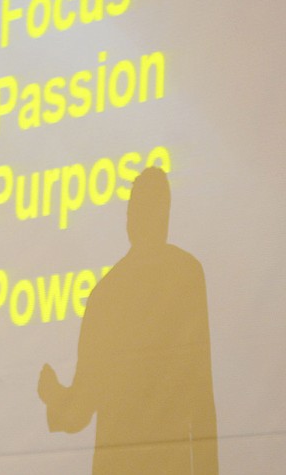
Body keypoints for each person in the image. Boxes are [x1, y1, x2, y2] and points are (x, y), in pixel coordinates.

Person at [37, 167, 217, 474]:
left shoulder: (105, 294)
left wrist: (51, 393)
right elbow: (201, 391)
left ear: (131, 219)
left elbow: (79, 411)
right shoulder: (187, 272)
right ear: (165, 216)